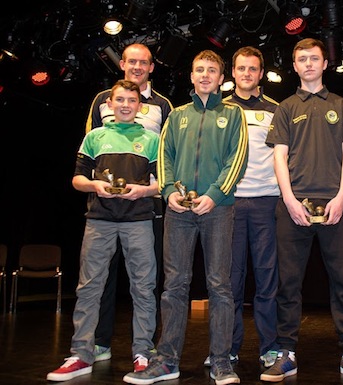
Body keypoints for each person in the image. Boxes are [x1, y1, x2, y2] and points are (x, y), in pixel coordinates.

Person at [123, 49, 248, 385]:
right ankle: (166, 361)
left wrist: (214, 195)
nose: (205, 75)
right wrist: (169, 192)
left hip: (218, 209)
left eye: (212, 70)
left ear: (222, 78)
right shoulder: (177, 116)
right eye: (199, 70)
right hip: (178, 211)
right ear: (191, 76)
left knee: (220, 286)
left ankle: (222, 361)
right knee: (174, 286)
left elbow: (237, 158)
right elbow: (165, 157)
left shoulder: (234, 114)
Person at [260, 38, 343, 383]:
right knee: (288, 283)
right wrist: (290, 200)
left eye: (314, 58)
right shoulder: (285, 108)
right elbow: (279, 157)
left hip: (335, 206)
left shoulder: (340, 105)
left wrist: (341, 197)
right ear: (294, 66)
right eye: (302, 59)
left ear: (325, 64)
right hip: (293, 208)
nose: (308, 64)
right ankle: (286, 352)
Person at [47, 80, 160, 381]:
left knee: (143, 288)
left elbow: (162, 184)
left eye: (131, 100)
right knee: (89, 288)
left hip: (138, 221)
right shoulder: (94, 137)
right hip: (99, 220)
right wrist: (95, 185)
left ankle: (142, 353)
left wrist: (142, 191)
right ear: (109, 104)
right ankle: (81, 353)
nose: (125, 105)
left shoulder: (151, 140)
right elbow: (77, 180)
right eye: (119, 100)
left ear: (140, 106)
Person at [85, 43, 173, 365]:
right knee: (102, 277)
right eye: (131, 61)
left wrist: (153, 192)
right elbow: (90, 148)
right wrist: (98, 187)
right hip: (105, 208)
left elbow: (168, 154)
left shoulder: (164, 104)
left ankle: (146, 346)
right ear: (122, 64)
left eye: (143, 62)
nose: (137, 67)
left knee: (147, 281)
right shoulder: (101, 100)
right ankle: (100, 342)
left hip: (146, 209)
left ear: (151, 67)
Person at [203, 46, 279, 368]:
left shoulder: (277, 109)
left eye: (253, 69)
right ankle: (227, 348)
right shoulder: (220, 108)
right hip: (229, 204)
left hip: (266, 203)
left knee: (267, 280)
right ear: (232, 73)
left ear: (261, 74)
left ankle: (269, 349)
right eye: (241, 69)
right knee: (229, 282)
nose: (247, 74)